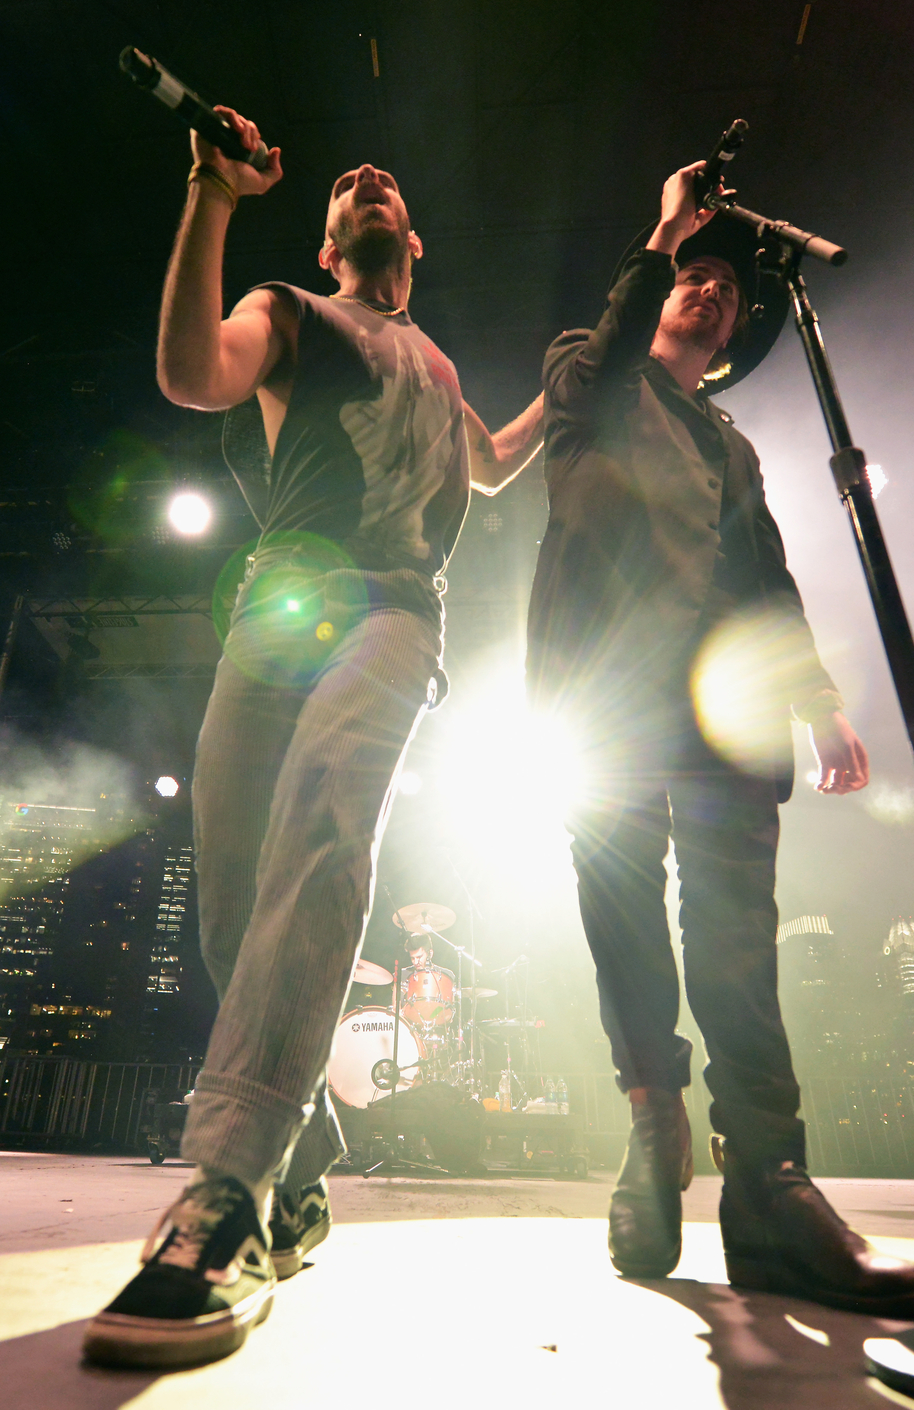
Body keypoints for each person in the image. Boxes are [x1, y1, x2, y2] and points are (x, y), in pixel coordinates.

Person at [84, 108, 543, 1369]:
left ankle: (224, 1188)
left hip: (395, 613)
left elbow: (492, 467)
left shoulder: (439, 369)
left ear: (411, 239)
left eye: (384, 181)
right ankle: (307, 1154)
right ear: (331, 238)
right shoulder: (294, 309)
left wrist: (577, 383)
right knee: (235, 904)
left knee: (327, 835)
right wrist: (211, 200)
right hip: (287, 599)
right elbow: (193, 375)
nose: (367, 177)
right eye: (347, 185)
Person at [525, 159, 914, 1316]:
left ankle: (767, 1180)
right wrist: (663, 231)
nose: (707, 290)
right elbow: (602, 359)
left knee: (734, 932)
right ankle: (653, 1119)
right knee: (619, 909)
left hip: (722, 709)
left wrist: (815, 699)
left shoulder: (732, 446)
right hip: (603, 692)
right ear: (658, 291)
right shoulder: (586, 368)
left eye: (723, 285)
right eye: (689, 279)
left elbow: (766, 578)